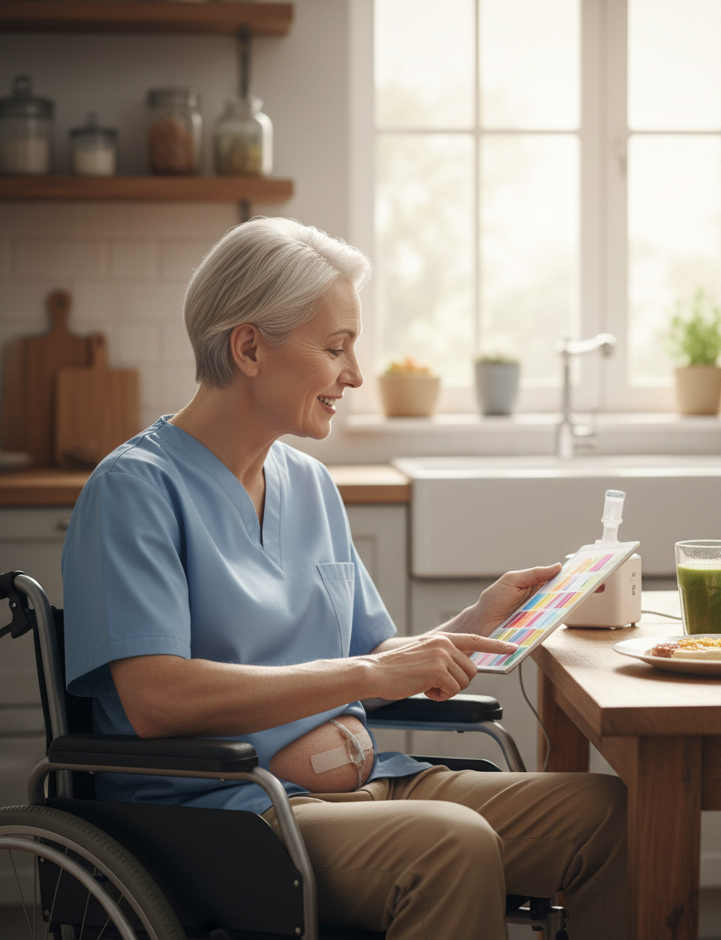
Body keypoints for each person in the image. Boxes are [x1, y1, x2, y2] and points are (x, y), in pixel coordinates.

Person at [61, 217, 626, 939]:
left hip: (366, 783)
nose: (354, 376)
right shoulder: (134, 489)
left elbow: (376, 659)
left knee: (607, 816)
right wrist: (366, 675)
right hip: (224, 816)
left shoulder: (310, 485)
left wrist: (476, 622)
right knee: (453, 845)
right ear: (249, 347)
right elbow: (155, 701)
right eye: (335, 349)